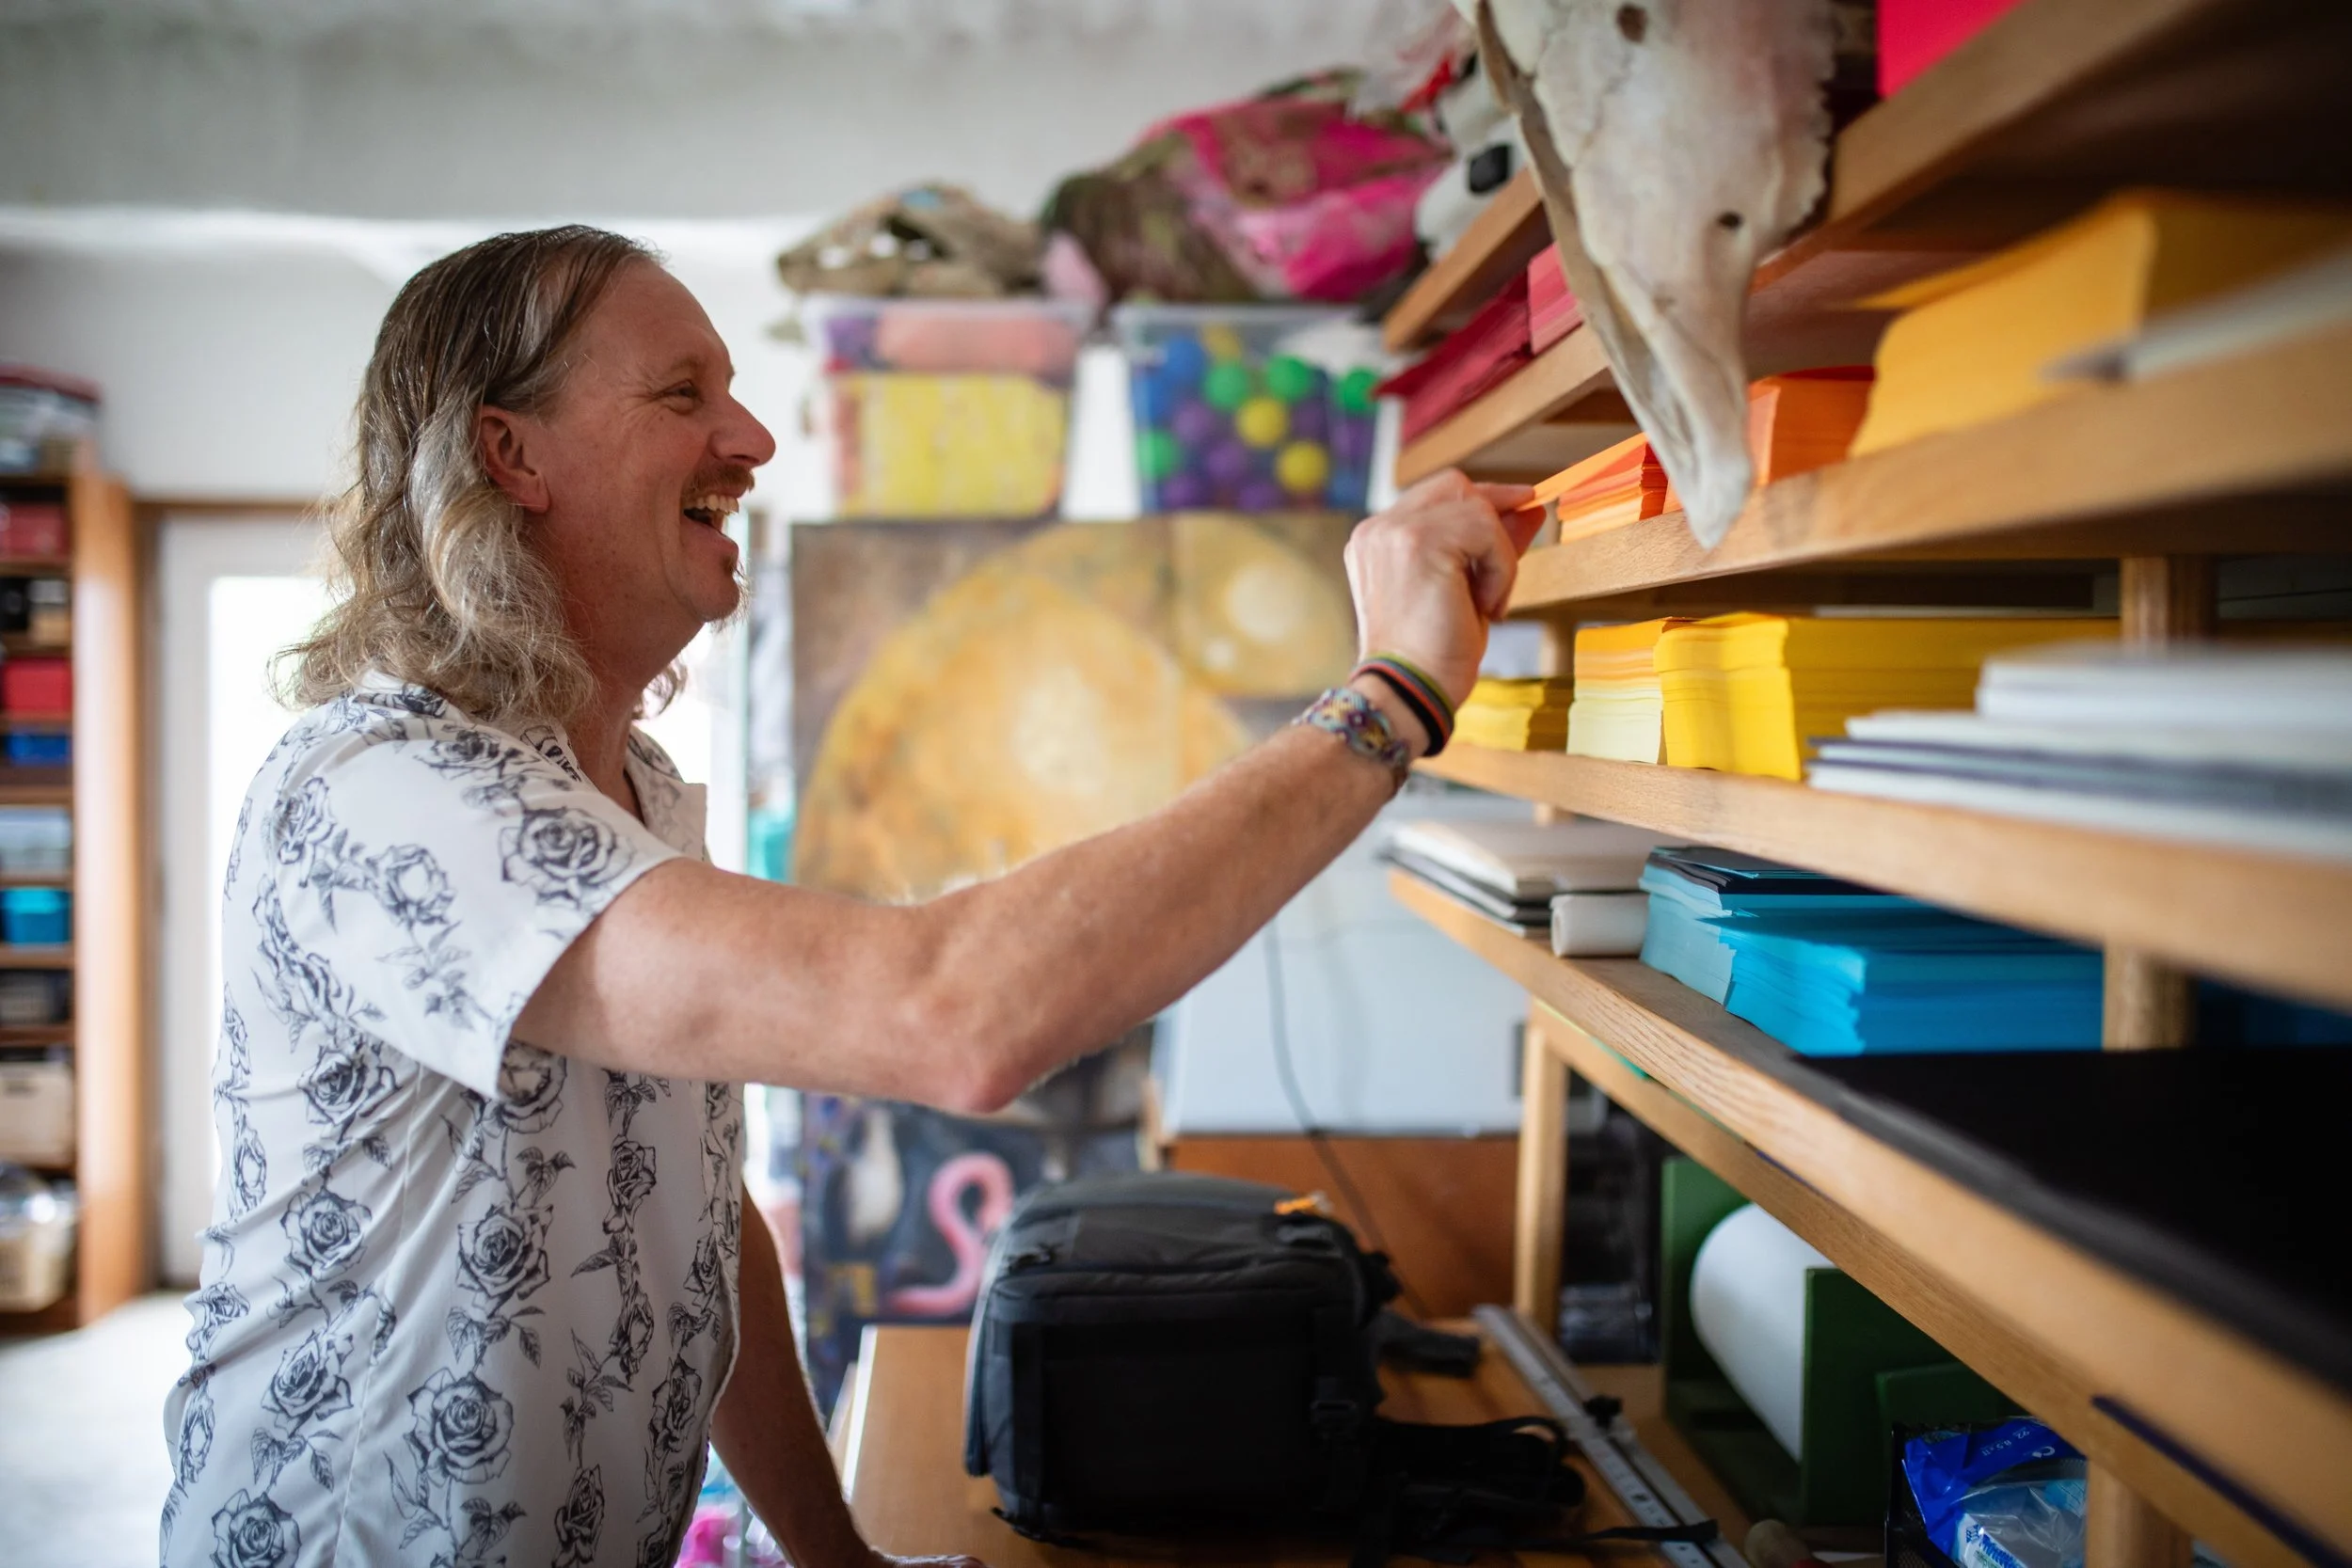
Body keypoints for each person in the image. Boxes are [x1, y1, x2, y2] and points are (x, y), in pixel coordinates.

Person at [160, 225, 1538, 1568]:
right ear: (511, 454)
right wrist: (1392, 697)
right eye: (682, 394)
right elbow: (951, 1012)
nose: (754, 438)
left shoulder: (635, 789)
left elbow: (703, 1222)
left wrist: (836, 1558)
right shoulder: (389, 792)